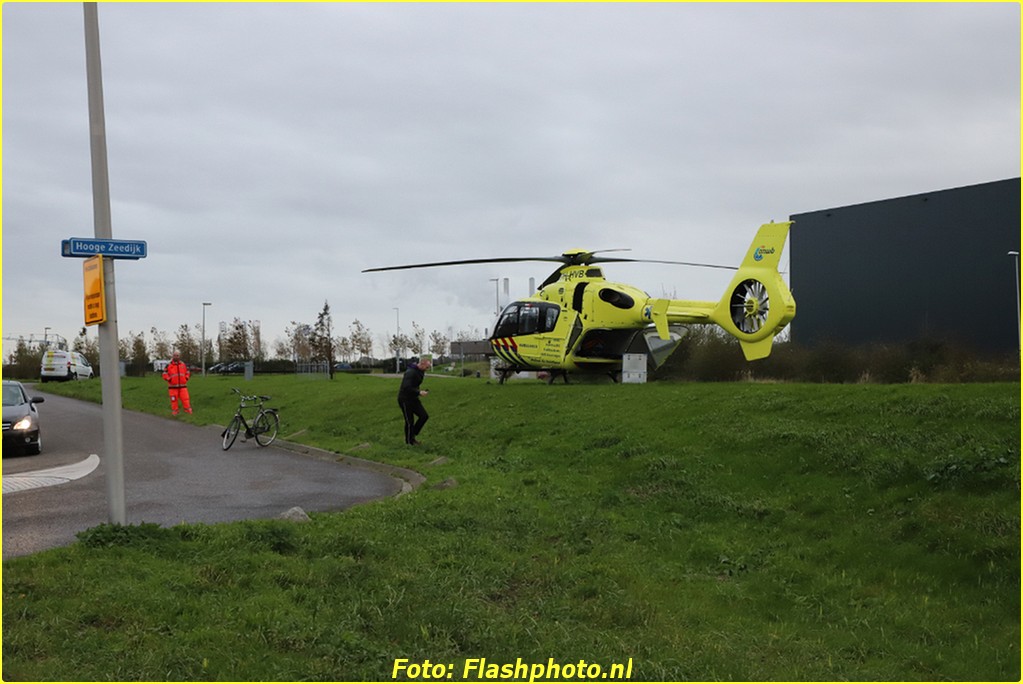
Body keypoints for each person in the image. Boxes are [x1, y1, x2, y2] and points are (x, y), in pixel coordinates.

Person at [397, 357, 432, 445]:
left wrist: (419, 392)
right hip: (405, 399)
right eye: (427, 367)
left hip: (413, 398)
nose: (427, 369)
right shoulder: (410, 372)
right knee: (410, 421)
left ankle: (413, 433)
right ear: (422, 364)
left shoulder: (421, 372)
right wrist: (419, 392)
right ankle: (409, 442)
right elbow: (406, 387)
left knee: (424, 416)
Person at [162, 350, 192, 416]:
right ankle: (175, 411)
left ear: (179, 356)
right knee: (174, 400)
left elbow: (188, 372)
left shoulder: (183, 364)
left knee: (185, 399)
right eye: (175, 355)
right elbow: (164, 373)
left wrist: (186, 378)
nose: (176, 357)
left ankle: (187, 409)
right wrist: (169, 379)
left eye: (177, 355)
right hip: (172, 387)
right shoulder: (168, 365)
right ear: (173, 356)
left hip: (183, 386)